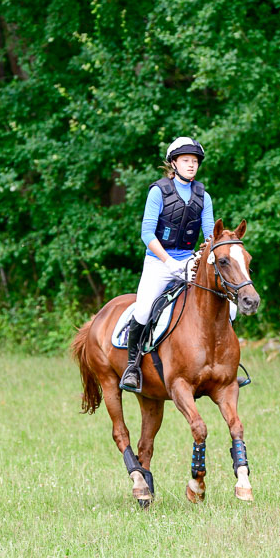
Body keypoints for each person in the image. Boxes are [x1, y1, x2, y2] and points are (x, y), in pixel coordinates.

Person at [121, 136, 217, 392]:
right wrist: (167, 261)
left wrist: (201, 258)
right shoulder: (158, 191)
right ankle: (132, 366)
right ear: (174, 163)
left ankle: (221, 365)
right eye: (186, 160)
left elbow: (210, 235)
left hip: (189, 261)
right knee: (142, 310)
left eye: (195, 161)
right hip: (158, 262)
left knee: (224, 306)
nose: (191, 165)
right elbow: (147, 234)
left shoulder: (203, 196)